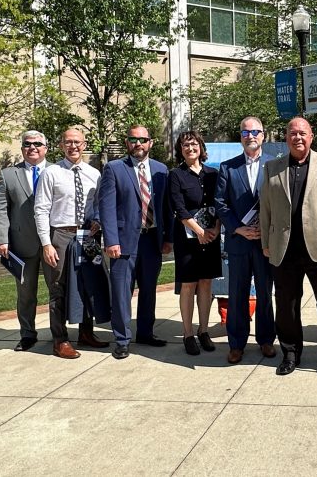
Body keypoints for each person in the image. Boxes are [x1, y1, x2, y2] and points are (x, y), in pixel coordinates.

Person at [260, 118, 317, 378]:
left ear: (311, 136)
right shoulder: (272, 168)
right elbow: (265, 209)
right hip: (284, 248)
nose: (297, 137)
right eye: (292, 133)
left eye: (302, 133)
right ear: (286, 138)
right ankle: (290, 353)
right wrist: (266, 243)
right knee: (286, 305)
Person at [33, 128, 109, 358]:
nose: (73, 146)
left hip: (87, 237)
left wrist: (97, 220)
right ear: (61, 145)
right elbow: (41, 209)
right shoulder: (51, 173)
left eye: (77, 142)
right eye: (68, 142)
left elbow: (99, 205)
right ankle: (60, 340)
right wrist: (46, 243)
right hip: (60, 236)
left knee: (88, 285)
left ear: (84, 144)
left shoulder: (94, 173)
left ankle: (86, 332)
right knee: (59, 288)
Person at [98, 125, 170, 360]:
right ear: (127, 143)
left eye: (143, 140)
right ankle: (122, 339)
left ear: (150, 143)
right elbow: (106, 207)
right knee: (121, 292)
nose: (138, 144)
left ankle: (146, 333)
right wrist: (111, 240)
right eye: (133, 139)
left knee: (149, 289)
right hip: (123, 241)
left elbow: (166, 208)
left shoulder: (161, 170)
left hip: (152, 240)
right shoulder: (114, 168)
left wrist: (168, 238)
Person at [215, 116, 277, 364]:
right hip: (239, 241)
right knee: (237, 294)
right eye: (245, 132)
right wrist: (237, 229)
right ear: (240, 137)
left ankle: (265, 340)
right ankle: (237, 343)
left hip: (265, 242)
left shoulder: (275, 165)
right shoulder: (227, 168)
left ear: (263, 135)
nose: (250, 136)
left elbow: (282, 202)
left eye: (255, 132)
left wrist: (268, 230)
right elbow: (220, 203)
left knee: (265, 293)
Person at [0, 130, 50, 353]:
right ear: (22, 148)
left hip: (52, 243)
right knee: (26, 294)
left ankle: (60, 333)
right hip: (21, 244)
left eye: (37, 143)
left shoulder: (57, 171)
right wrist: (2, 240)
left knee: (57, 290)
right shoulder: (8, 175)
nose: (32, 147)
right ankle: (27, 334)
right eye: (27, 144)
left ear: (45, 147)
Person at [165, 131, 221, 356]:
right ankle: (188, 333)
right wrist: (198, 231)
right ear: (181, 150)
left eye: (194, 144)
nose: (190, 148)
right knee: (189, 285)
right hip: (188, 237)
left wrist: (215, 229)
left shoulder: (213, 173)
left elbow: (220, 203)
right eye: (185, 145)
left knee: (206, 283)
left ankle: (204, 330)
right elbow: (179, 208)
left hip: (211, 235)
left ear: (201, 147)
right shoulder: (176, 175)